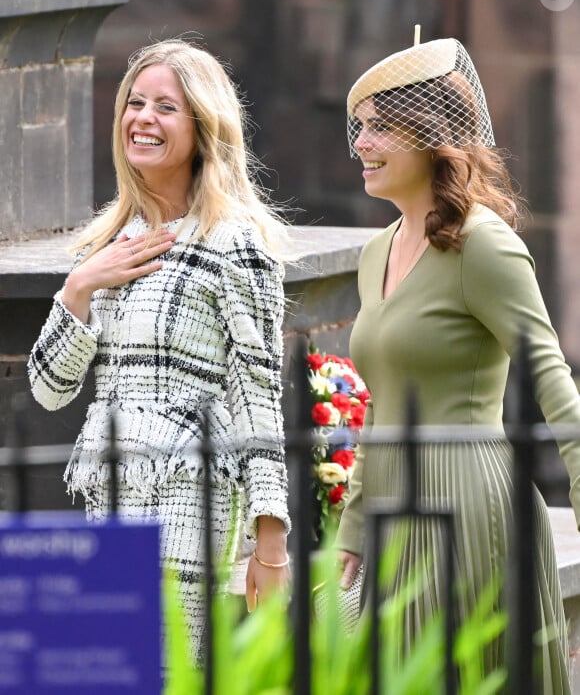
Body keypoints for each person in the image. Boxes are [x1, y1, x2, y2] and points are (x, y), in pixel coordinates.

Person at [28, 38, 291, 664]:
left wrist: (271, 545)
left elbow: (259, 399)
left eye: (165, 107)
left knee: (169, 664)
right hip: (111, 482)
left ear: (204, 128)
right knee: (115, 666)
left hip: (190, 488)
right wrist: (80, 285)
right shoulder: (113, 241)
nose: (142, 119)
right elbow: (48, 389)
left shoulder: (236, 245)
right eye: (135, 103)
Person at [336, 36, 580, 691]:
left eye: (380, 128)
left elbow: (555, 383)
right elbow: (380, 401)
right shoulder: (374, 252)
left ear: (432, 136)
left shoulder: (483, 244)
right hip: (391, 508)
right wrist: (354, 526)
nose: (361, 143)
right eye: (360, 127)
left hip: (468, 507)